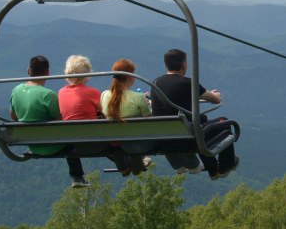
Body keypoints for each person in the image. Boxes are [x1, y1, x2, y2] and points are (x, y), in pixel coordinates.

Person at [150, 48, 238, 180]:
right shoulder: (187, 83)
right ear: (184, 64)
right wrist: (215, 94)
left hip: (166, 139)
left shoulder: (155, 83)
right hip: (188, 138)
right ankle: (225, 166)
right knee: (224, 122)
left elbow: (172, 98)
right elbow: (216, 99)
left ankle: (213, 171)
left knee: (201, 120)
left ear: (166, 64)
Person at [9, 54, 88, 188]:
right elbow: (59, 121)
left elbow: (13, 116)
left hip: (31, 144)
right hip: (52, 146)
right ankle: (77, 177)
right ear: (47, 73)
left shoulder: (16, 91)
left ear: (29, 71)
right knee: (73, 141)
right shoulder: (47, 95)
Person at [59, 53, 140, 178]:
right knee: (115, 135)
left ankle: (126, 167)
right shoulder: (91, 92)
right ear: (86, 74)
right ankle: (128, 165)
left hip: (73, 144)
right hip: (96, 142)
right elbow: (106, 113)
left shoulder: (61, 92)